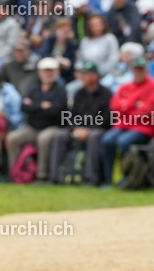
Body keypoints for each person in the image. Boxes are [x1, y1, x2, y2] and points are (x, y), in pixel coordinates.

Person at [48, 61, 113, 186]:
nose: (83, 77)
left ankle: (91, 178)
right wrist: (75, 128)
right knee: (60, 135)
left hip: (98, 129)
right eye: (82, 74)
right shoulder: (79, 93)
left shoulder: (106, 94)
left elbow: (107, 119)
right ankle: (55, 176)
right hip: (78, 129)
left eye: (87, 74)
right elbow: (71, 116)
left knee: (94, 137)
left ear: (95, 76)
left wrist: (88, 130)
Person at [5, 57, 69, 181]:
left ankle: (41, 175)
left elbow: (57, 110)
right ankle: (16, 173)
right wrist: (41, 106)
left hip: (52, 126)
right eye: (45, 71)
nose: (47, 74)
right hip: (32, 127)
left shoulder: (60, 90)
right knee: (12, 138)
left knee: (43, 139)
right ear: (40, 72)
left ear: (56, 72)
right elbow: (23, 106)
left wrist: (34, 106)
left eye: (50, 71)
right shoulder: (35, 88)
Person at [101, 56, 154, 187]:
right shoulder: (125, 86)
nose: (138, 72)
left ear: (146, 70)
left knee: (124, 141)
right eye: (136, 69)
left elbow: (146, 110)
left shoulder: (152, 86)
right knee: (107, 139)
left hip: (144, 128)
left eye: (141, 70)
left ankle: (128, 177)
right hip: (123, 125)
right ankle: (108, 179)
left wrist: (126, 106)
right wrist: (134, 104)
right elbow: (114, 106)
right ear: (132, 70)